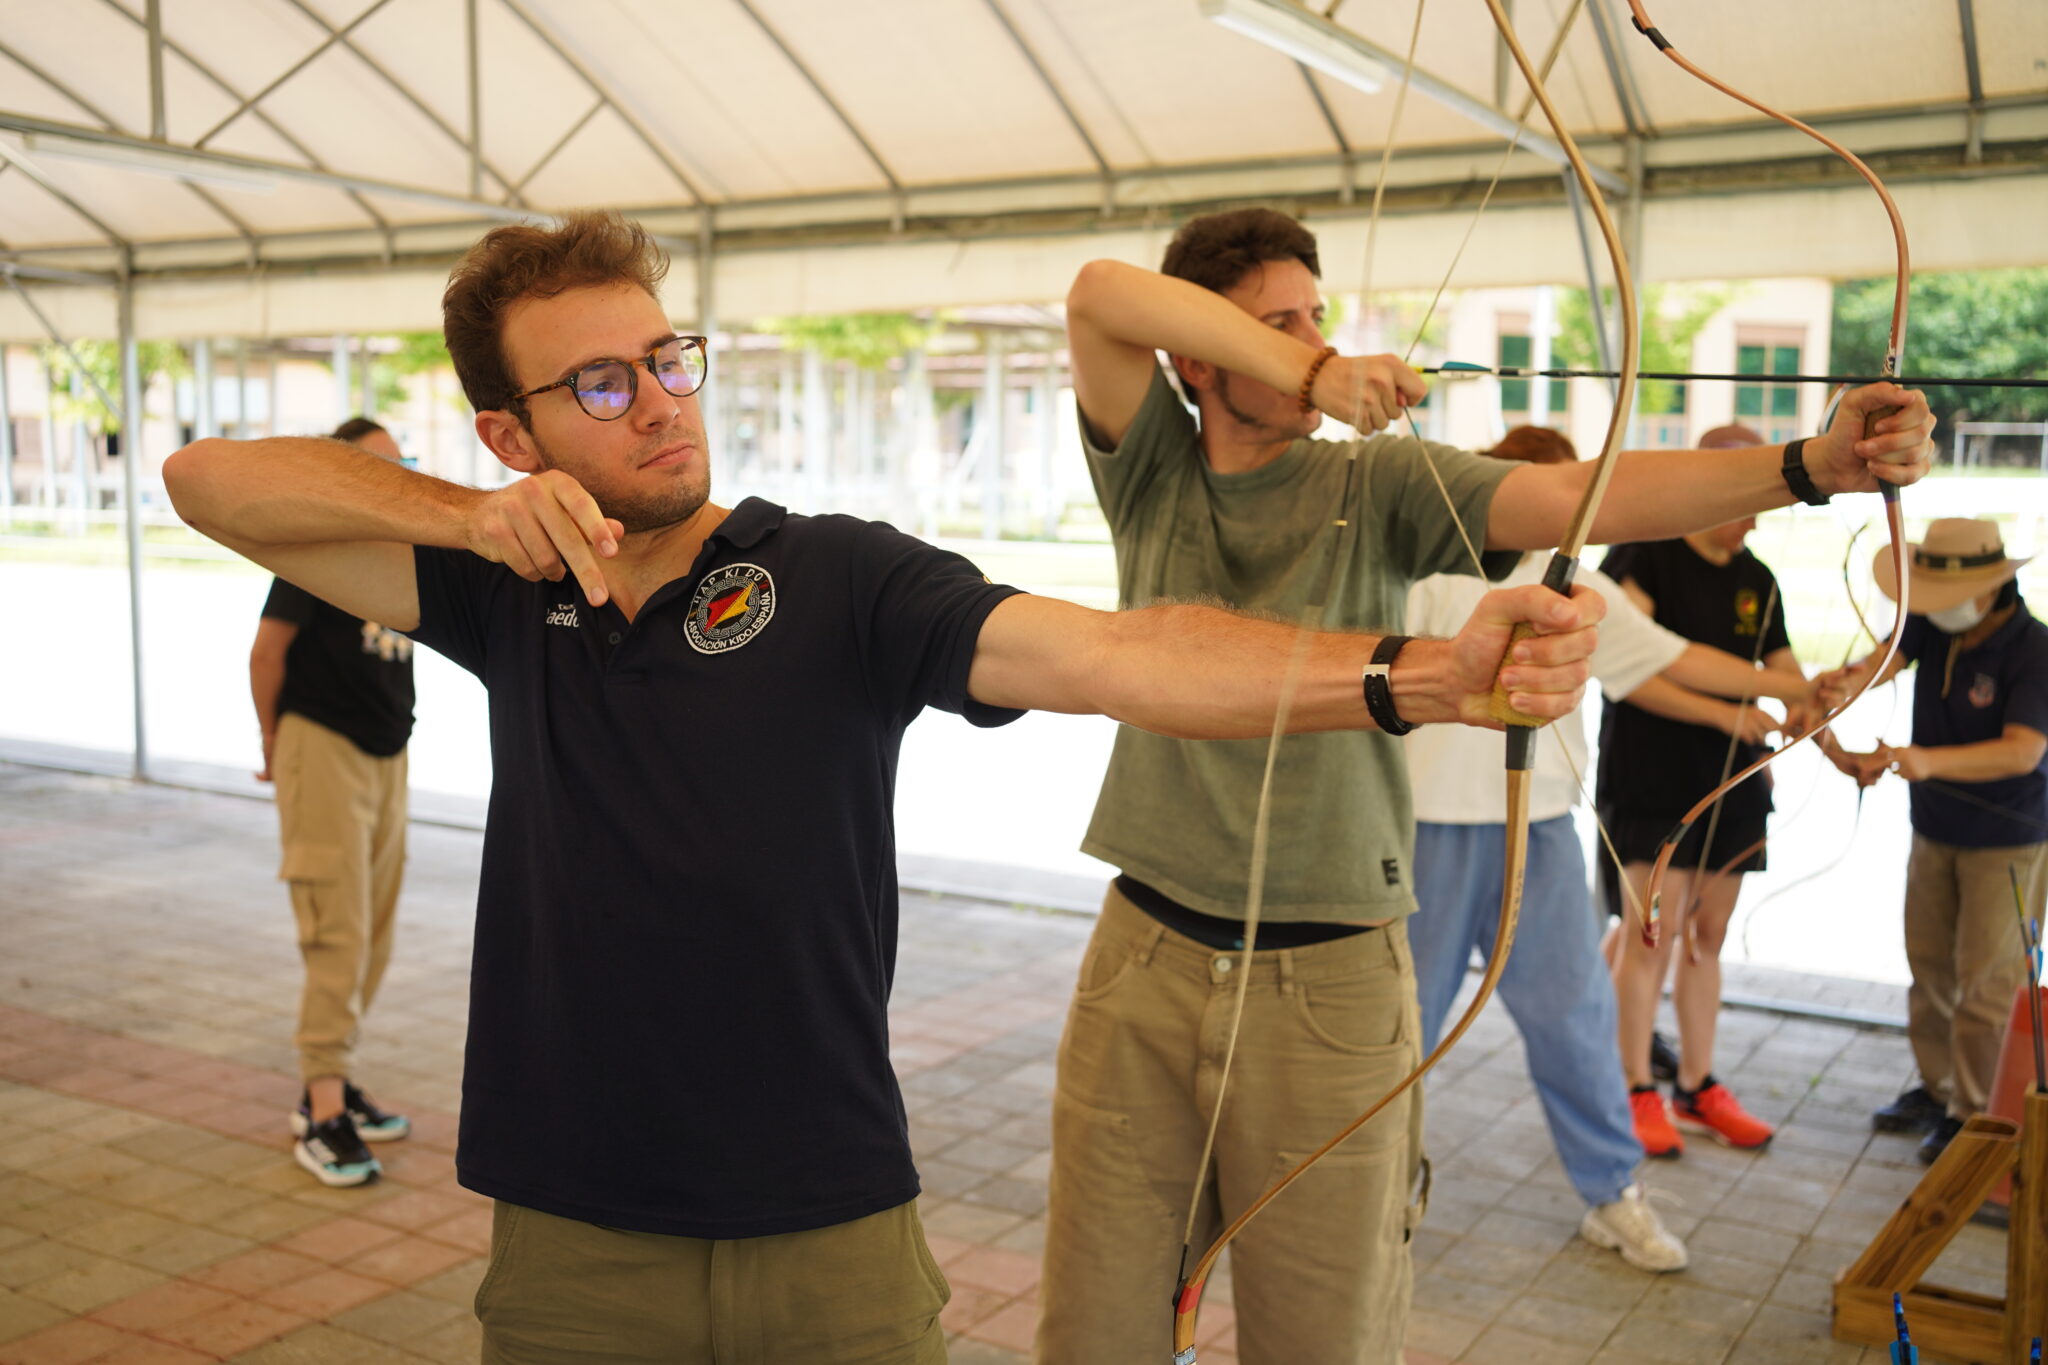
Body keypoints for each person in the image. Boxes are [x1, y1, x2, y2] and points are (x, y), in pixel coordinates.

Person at [164, 211, 1607, 1365]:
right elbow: (206, 480)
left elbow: (1117, 654)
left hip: (831, 1229)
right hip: (574, 1236)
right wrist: (472, 518)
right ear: (510, 434)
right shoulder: (501, 587)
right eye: (601, 384)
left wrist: (1423, 673)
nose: (659, 404)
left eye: (669, 360)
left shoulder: (837, 574)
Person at [1042, 206, 1931, 1365]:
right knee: (1096, 1328)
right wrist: (1316, 373)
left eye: (1316, 314)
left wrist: (1809, 466)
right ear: (1199, 359)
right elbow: (1099, 293)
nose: (1314, 337)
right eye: (1276, 323)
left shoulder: (1378, 484)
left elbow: (1574, 498)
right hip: (1146, 955)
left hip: (1328, 973)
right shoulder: (1153, 468)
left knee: (1323, 1335)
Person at [1405, 426, 1814, 1272]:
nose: (1559, 514)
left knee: (1577, 1015)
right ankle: (1370, 1187)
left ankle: (1611, 1188)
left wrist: (1802, 687)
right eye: (1540, 494)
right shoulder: (1428, 579)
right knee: (1399, 1024)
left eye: (1570, 498)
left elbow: (1679, 659)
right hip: (1429, 826)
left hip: (1542, 829)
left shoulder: (1579, 584)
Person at [1596, 424, 1803, 1161]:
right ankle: (1632, 1087)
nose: (1754, 522)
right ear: (1708, 487)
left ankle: (1698, 1084)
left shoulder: (1759, 579)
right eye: (1746, 502)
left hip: (1734, 784)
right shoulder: (1641, 554)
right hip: (1651, 781)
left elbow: (1787, 675)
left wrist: (1826, 717)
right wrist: (1725, 712)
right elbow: (1629, 672)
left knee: (1706, 936)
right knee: (1649, 936)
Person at [1820, 518, 2048, 1164]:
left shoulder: (2034, 649)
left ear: (1993, 588)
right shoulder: (1931, 623)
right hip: (1933, 827)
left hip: (2009, 839)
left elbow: (2023, 751)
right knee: (1929, 964)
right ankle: (1937, 1085)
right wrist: (1839, 685)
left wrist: (1926, 760)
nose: (1935, 608)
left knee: (1988, 982)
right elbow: (1883, 661)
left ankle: (1974, 1112)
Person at [248, 416, 417, 1188]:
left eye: (401, 464)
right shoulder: (316, 551)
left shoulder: (405, 554)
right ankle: (322, 1111)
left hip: (388, 752)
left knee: (375, 932)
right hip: (322, 745)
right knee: (336, 930)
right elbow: (267, 653)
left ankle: (335, 1079)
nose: (395, 478)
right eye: (377, 465)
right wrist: (273, 745)